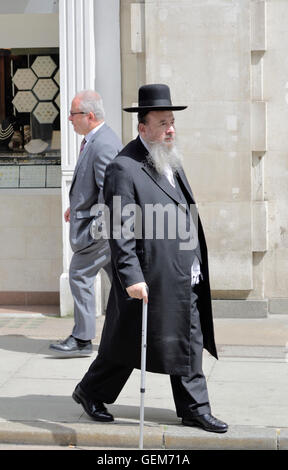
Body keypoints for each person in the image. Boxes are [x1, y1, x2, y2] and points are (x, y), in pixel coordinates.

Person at [72, 84, 228, 433]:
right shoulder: (123, 168)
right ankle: (90, 390)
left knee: (186, 338)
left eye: (172, 121)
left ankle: (193, 408)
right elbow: (118, 229)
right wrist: (131, 277)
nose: (170, 129)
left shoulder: (167, 156)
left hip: (181, 273)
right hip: (148, 276)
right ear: (143, 127)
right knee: (127, 342)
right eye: (162, 123)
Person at [49, 90, 122, 357]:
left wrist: (96, 230)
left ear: (89, 116)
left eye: (73, 113)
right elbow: (93, 185)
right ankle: (134, 333)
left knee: (79, 275)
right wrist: (77, 207)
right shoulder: (97, 139)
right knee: (123, 284)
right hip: (103, 228)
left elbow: (110, 192)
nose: (69, 119)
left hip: (101, 231)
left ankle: (81, 339)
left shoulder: (102, 143)